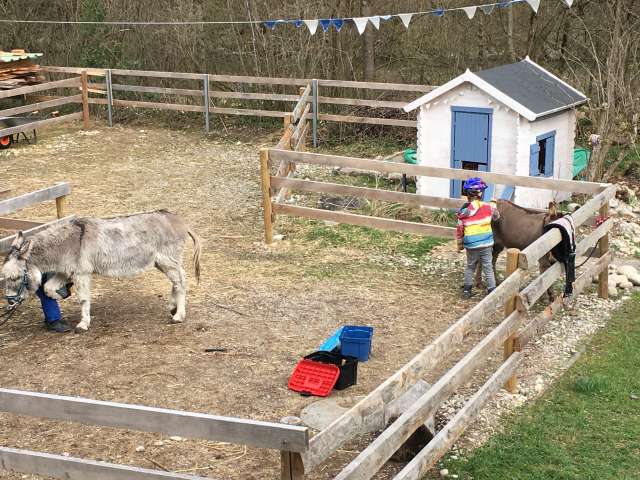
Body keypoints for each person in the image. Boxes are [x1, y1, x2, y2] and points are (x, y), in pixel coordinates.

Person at [456, 177, 500, 299]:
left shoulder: (463, 210)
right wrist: (493, 204)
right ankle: (492, 291)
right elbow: (496, 217)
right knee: (488, 267)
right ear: (480, 193)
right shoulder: (488, 207)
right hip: (486, 243)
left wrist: (460, 244)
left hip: (471, 244)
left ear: (467, 194)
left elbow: (460, 228)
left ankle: (467, 291)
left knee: (470, 266)